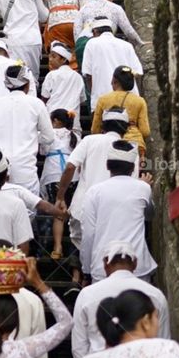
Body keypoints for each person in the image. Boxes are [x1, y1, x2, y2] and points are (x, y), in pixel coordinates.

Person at [55, 108, 130, 259]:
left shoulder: (90, 140)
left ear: (103, 125)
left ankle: (85, 277)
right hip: (113, 214)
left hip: (83, 208)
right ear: (126, 128)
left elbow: (70, 167)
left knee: (86, 251)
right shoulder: (130, 149)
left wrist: (60, 197)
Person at [0, 63, 56, 195]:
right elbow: (49, 137)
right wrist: (32, 136)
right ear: (27, 84)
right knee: (27, 210)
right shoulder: (36, 104)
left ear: (6, 85)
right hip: (26, 170)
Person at [79, 141, 156, 282]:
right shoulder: (143, 188)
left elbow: (88, 234)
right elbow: (150, 216)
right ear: (133, 168)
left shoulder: (94, 192)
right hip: (137, 268)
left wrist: (86, 270)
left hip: (103, 268)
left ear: (107, 165)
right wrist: (144, 187)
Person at [0, 0, 48, 84]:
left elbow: (7, 18)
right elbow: (44, 16)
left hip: (13, 41)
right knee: (32, 77)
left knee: (15, 77)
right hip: (32, 40)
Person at [39, 108, 78, 260]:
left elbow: (42, 152)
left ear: (55, 121)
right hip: (72, 177)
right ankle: (72, 249)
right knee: (70, 209)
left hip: (53, 174)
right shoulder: (75, 136)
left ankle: (57, 246)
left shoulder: (48, 135)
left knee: (57, 210)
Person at [82, 19, 143, 106]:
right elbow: (137, 72)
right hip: (129, 100)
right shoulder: (127, 45)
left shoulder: (91, 43)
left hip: (102, 100)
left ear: (95, 31)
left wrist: (94, 95)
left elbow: (88, 75)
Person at [91, 66, 150, 152]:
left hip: (110, 144)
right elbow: (145, 131)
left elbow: (95, 129)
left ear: (114, 80)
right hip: (135, 144)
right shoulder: (140, 101)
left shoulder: (103, 100)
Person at [74, 0, 144, 48]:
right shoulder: (116, 8)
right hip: (107, 44)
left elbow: (77, 29)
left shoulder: (85, 7)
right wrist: (140, 42)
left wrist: (79, 45)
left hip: (87, 43)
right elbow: (128, 31)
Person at [40, 42, 87, 134]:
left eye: (53, 57)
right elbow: (82, 99)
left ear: (63, 59)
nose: (50, 59)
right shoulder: (77, 76)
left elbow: (44, 97)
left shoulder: (52, 75)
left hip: (53, 119)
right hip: (72, 119)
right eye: (50, 56)